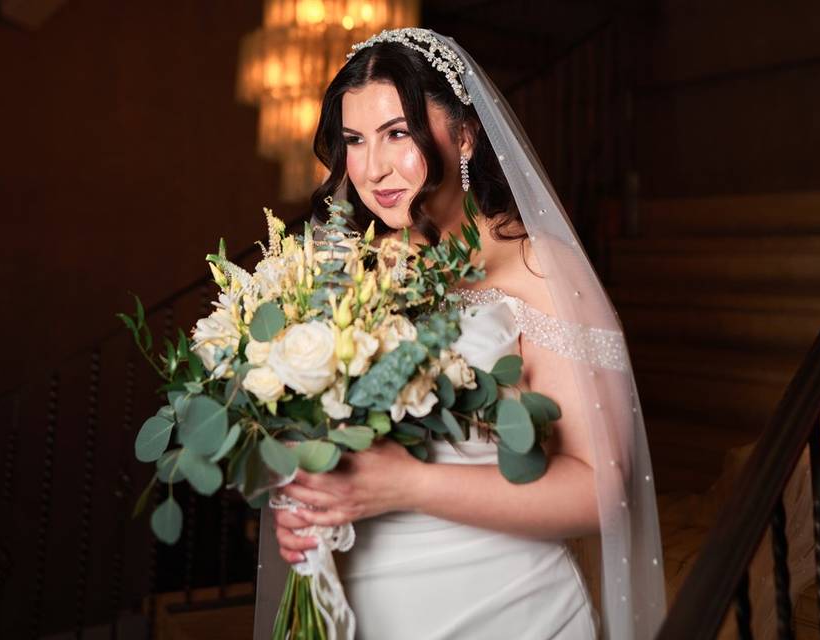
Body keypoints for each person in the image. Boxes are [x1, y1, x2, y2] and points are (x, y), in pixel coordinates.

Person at [256, 28, 666, 640]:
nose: (372, 169)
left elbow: (599, 488)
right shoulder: (347, 269)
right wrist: (309, 500)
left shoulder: (538, 267)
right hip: (358, 607)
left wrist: (407, 484)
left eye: (398, 134)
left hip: (505, 607)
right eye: (354, 141)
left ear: (466, 134)